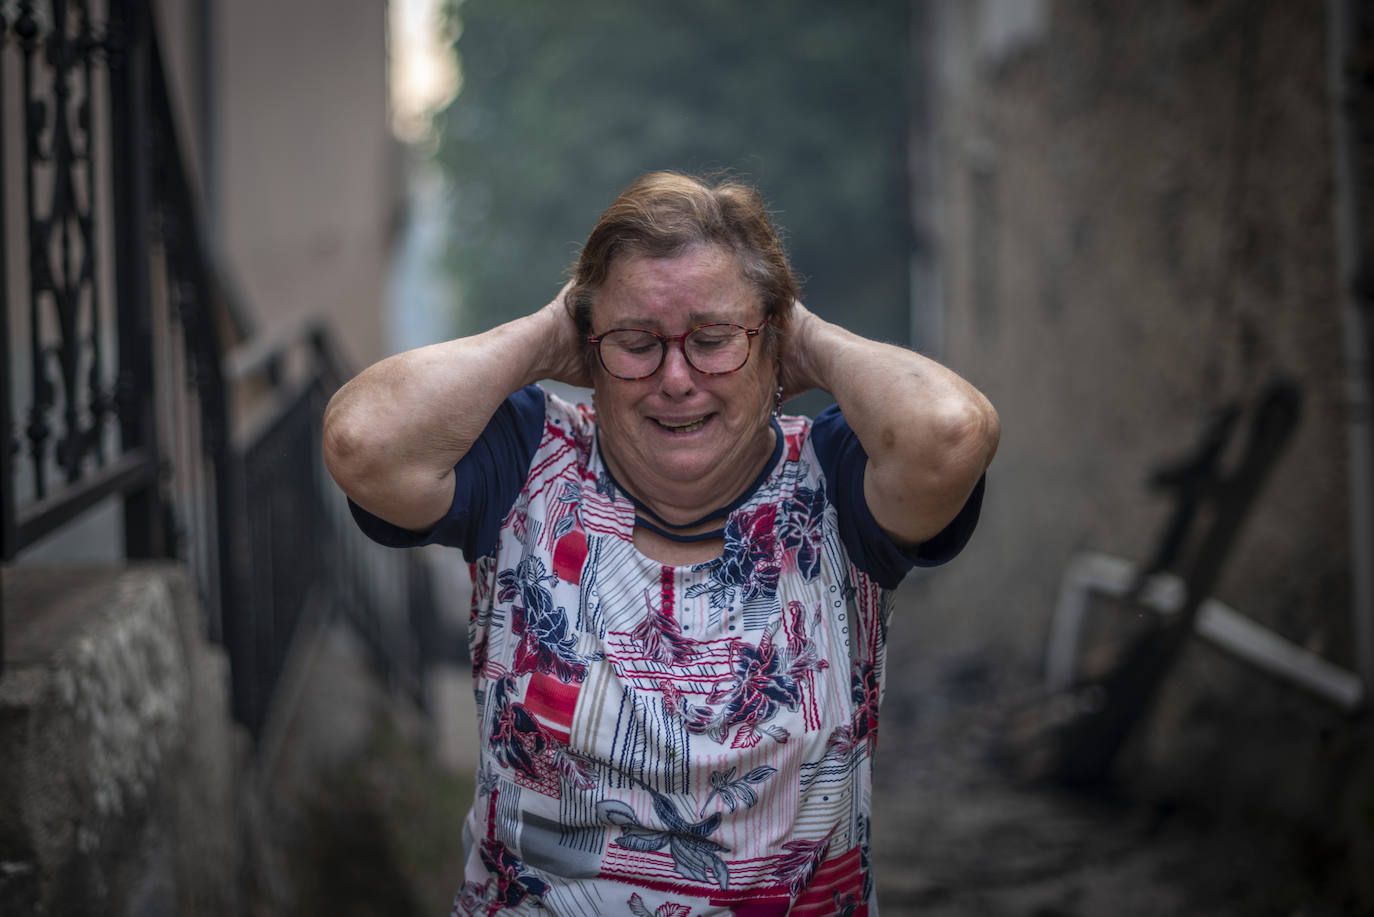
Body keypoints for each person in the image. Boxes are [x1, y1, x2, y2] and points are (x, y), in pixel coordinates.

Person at [323, 171, 999, 915]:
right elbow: (363, 442)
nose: (676, 379)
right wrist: (552, 331)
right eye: (636, 342)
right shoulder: (525, 462)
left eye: (712, 340)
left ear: (771, 340)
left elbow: (952, 432)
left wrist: (801, 336)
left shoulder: (838, 482)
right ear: (589, 352)